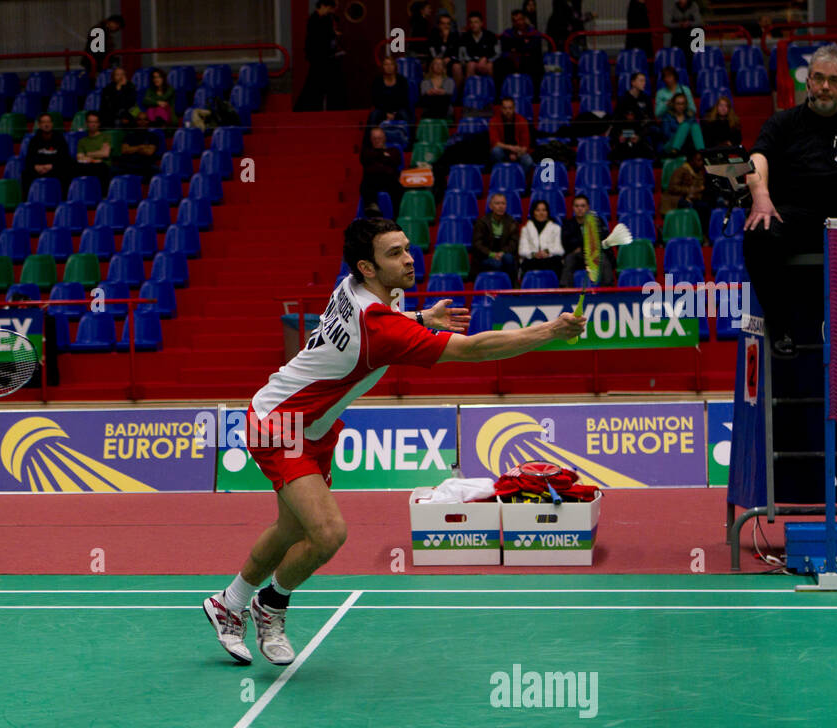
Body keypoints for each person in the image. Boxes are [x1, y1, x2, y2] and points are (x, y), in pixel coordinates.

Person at [201, 217, 585, 664]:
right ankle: (272, 604)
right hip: (281, 423)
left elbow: (379, 325)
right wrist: (549, 332)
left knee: (291, 529)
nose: (408, 259)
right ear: (367, 267)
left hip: (313, 424)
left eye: (406, 248)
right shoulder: (382, 325)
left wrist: (421, 317)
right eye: (394, 254)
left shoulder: (354, 288)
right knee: (327, 534)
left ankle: (228, 604)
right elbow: (475, 348)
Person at [744, 44, 837, 353]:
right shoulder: (782, 123)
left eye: (834, 80)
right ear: (807, 81)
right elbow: (757, 159)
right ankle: (781, 328)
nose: (824, 86)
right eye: (818, 78)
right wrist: (761, 196)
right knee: (757, 232)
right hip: (793, 216)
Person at [296, 0, 346, 111]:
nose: (328, 11)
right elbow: (316, 39)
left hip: (327, 57)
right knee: (314, 85)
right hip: (317, 58)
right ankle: (307, 108)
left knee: (324, 84)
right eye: (328, 8)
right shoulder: (313, 20)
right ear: (323, 6)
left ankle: (331, 108)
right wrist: (332, 34)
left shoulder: (326, 19)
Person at [560, 193, 615, 287]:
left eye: (582, 206)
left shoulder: (597, 221)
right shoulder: (568, 224)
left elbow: (603, 240)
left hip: (594, 255)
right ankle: (565, 292)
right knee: (569, 259)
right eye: (577, 206)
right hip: (577, 256)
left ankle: (608, 291)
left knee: (603, 258)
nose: (580, 208)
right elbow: (566, 243)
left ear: (588, 207)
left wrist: (580, 245)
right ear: (573, 208)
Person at [21, 112, 73, 199]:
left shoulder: (60, 139)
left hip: (55, 168)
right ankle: (28, 201)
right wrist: (36, 167)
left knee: (67, 171)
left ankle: (64, 200)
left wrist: (52, 166)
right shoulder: (34, 140)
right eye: (44, 122)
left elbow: (64, 158)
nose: (46, 125)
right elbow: (29, 159)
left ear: (52, 124)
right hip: (39, 169)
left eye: (48, 122)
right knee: (26, 174)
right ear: (39, 125)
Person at [472, 191, 520, 283]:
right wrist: (492, 254)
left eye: (503, 203)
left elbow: (513, 243)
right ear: (490, 206)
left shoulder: (512, 222)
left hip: (505, 254)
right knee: (496, 264)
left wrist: (502, 253)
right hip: (485, 256)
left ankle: (511, 287)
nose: (501, 206)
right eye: (497, 203)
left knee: (509, 259)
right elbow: (477, 244)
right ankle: (496, 288)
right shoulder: (482, 222)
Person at [610, 72, 656, 160]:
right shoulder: (623, 99)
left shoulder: (646, 99)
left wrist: (639, 135)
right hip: (626, 130)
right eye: (641, 80)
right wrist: (622, 134)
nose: (644, 83)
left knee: (653, 130)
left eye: (645, 81)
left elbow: (651, 119)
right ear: (633, 82)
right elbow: (616, 120)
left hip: (640, 131)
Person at [498, 8, 545, 91]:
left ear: (524, 19)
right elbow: (505, 48)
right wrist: (523, 43)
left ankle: (535, 96)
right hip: (512, 61)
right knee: (501, 64)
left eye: (520, 19)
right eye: (514, 20)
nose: (518, 23)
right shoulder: (507, 33)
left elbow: (534, 48)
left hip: (530, 61)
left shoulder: (533, 32)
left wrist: (516, 46)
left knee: (535, 63)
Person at [359, 125, 404, 212]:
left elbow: (396, 161)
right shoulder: (367, 152)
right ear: (371, 140)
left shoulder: (393, 150)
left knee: (398, 187)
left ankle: (397, 215)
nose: (377, 140)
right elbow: (367, 163)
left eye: (379, 138)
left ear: (384, 138)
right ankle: (372, 208)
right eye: (374, 138)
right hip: (372, 181)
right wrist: (384, 158)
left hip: (390, 180)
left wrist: (377, 161)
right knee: (366, 183)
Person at [662, 148, 710, 228]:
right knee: (689, 206)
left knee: (704, 206)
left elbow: (700, 188)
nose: (701, 163)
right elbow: (672, 188)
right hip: (676, 198)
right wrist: (690, 191)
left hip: (692, 198)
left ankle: (702, 233)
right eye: (698, 160)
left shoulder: (700, 172)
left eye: (701, 160)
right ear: (691, 161)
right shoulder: (681, 170)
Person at [518, 199, 564, 277]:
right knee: (528, 263)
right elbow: (522, 250)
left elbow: (560, 250)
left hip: (549, 259)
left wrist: (547, 252)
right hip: (532, 259)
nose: (541, 213)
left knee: (556, 262)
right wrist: (534, 254)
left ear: (547, 212)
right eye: (538, 210)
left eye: (544, 210)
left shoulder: (556, 228)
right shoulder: (525, 229)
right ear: (533, 212)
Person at [489, 95, 533, 172]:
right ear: (501, 109)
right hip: (503, 152)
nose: (508, 111)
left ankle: (517, 179)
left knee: (528, 161)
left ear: (514, 108)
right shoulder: (494, 121)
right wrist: (510, 148)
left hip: (518, 152)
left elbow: (525, 145)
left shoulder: (522, 120)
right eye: (505, 108)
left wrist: (516, 154)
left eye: (510, 108)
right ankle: (502, 176)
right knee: (496, 151)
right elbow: (494, 143)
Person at [368, 55, 414, 127]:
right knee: (374, 115)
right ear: (383, 67)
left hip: (399, 109)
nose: (389, 67)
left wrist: (394, 113)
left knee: (405, 115)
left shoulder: (402, 80)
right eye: (386, 64)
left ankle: (411, 138)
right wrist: (386, 113)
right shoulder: (377, 81)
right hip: (382, 110)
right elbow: (375, 100)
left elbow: (404, 99)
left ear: (395, 66)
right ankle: (369, 138)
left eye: (391, 64)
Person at [114, 112, 160, 180]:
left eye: (145, 119)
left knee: (156, 171)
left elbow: (149, 152)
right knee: (114, 170)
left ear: (148, 122)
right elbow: (124, 150)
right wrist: (140, 147)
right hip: (129, 164)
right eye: (139, 119)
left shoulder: (153, 136)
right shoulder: (129, 135)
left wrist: (132, 149)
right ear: (136, 122)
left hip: (145, 165)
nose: (142, 122)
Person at [74, 111, 113, 190]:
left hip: (102, 165)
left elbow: (105, 153)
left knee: (101, 168)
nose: (93, 124)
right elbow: (80, 158)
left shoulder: (106, 136)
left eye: (95, 122)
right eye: (91, 122)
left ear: (99, 123)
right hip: (88, 166)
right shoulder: (82, 141)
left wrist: (88, 154)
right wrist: (96, 156)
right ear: (86, 123)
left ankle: (103, 196)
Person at [426, 13, 465, 90]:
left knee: (457, 67)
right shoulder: (433, 36)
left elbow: (457, 54)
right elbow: (433, 55)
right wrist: (444, 40)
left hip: (450, 62)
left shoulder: (455, 36)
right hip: (435, 61)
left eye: (448, 24)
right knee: (438, 64)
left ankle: (456, 95)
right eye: (443, 24)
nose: (446, 26)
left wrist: (450, 58)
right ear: (438, 25)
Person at [661, 90, 704, 156]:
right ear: (673, 104)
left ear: (685, 104)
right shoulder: (667, 116)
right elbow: (666, 135)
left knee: (695, 126)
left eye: (682, 103)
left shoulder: (689, 115)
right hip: (670, 145)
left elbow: (696, 133)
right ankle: (674, 150)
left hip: (687, 145)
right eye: (678, 103)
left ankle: (701, 152)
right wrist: (681, 134)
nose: (680, 106)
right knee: (685, 125)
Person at [460, 10, 498, 79]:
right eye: (471, 22)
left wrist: (486, 59)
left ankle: (490, 89)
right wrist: (476, 62)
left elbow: (497, 53)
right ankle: (470, 89)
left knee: (490, 66)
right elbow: (462, 54)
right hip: (471, 62)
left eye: (476, 22)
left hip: (487, 61)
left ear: (481, 23)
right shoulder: (465, 37)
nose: (473, 25)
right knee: (471, 65)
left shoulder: (490, 36)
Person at [667, 0, 702, 71]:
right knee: (677, 60)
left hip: (692, 39)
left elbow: (699, 21)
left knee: (692, 60)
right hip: (678, 39)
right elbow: (667, 23)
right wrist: (679, 24)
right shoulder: (673, 6)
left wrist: (689, 23)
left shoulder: (693, 5)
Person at [99, 65, 137, 129]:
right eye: (118, 75)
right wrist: (119, 90)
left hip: (126, 116)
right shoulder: (108, 89)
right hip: (111, 116)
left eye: (122, 74)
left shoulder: (131, 87)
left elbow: (130, 104)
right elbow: (110, 106)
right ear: (113, 77)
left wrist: (123, 88)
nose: (121, 77)